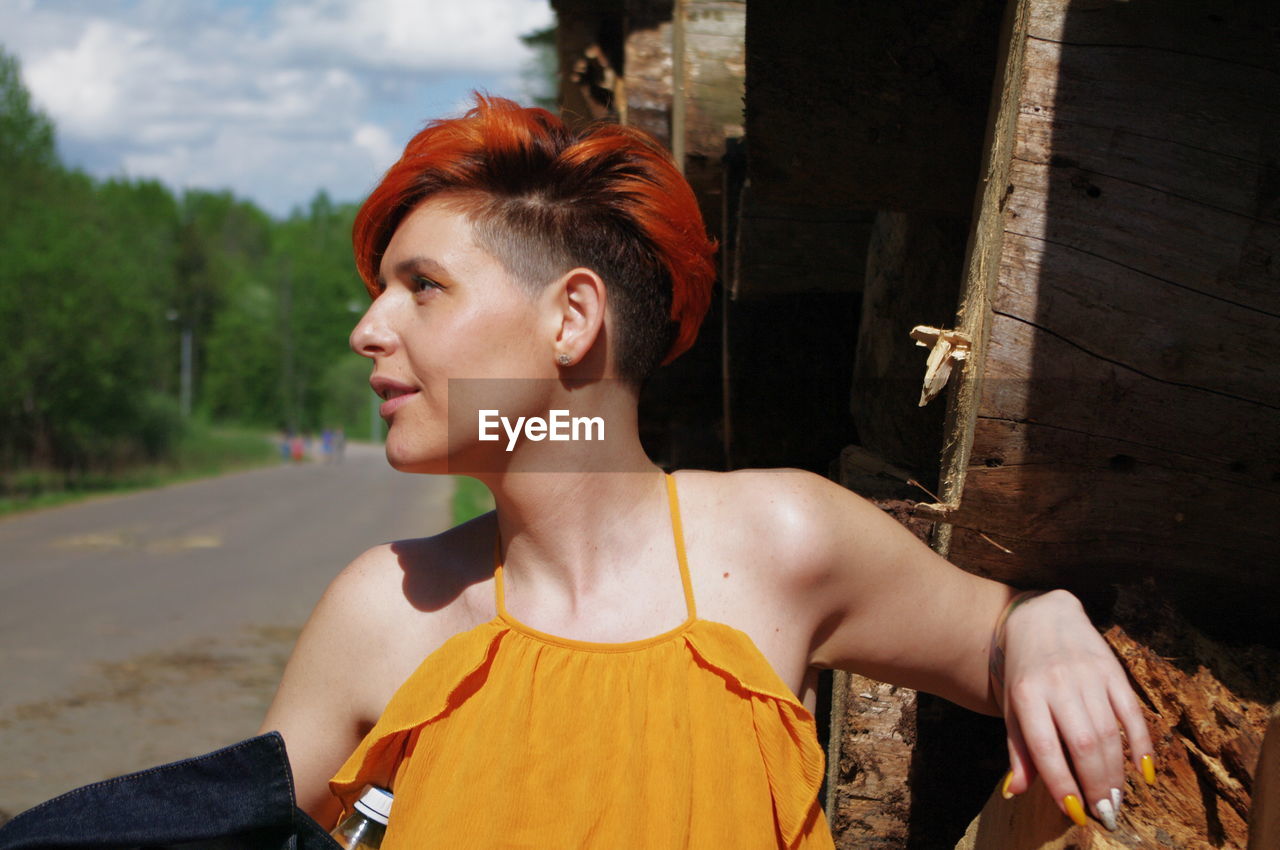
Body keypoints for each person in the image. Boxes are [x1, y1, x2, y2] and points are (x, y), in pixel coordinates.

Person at [258, 95, 1153, 846]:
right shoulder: (383, 607)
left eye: (422, 286)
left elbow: (1000, 635)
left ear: (571, 318)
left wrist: (1046, 623)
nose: (369, 329)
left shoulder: (782, 540)